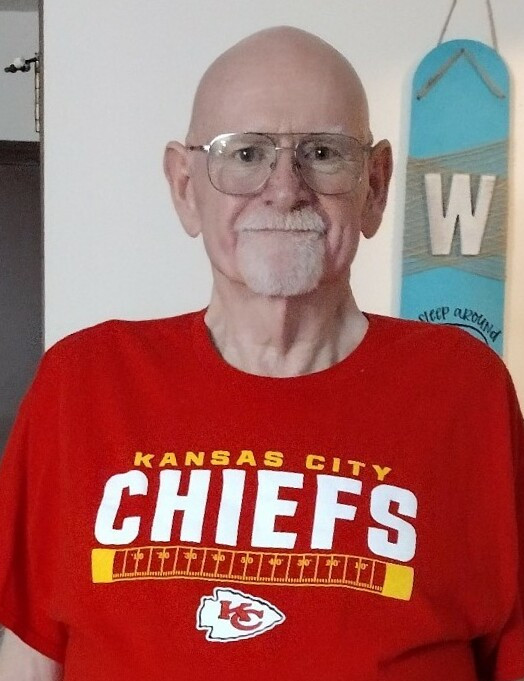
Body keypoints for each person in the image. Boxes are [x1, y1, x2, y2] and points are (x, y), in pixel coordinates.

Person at [0, 25, 522, 681]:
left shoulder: (464, 389)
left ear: (376, 185)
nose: (284, 188)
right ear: (185, 186)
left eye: (322, 152)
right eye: (244, 153)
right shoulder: (83, 383)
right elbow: (30, 655)